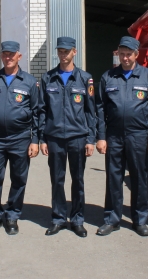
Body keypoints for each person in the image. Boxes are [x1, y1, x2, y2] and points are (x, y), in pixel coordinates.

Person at [95, 36, 148, 237]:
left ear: (136, 54)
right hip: (114, 135)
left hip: (138, 135)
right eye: (122, 54)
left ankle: (139, 219)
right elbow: (100, 109)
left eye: (129, 54)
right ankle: (112, 219)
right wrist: (101, 136)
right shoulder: (108, 77)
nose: (125, 58)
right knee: (113, 178)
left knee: (139, 178)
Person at [0, 41, 40, 235]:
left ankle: (12, 215)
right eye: (5, 54)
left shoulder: (29, 81)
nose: (8, 58)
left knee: (19, 178)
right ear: (1, 56)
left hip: (21, 138)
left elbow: (37, 112)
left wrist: (35, 140)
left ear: (19, 56)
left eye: (12, 54)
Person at [39, 37, 96, 238]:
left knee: (78, 180)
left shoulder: (85, 78)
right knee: (57, 180)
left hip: (77, 137)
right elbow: (42, 110)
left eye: (67, 51)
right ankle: (58, 218)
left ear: (74, 52)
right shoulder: (48, 78)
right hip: (54, 137)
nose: (63, 55)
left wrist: (91, 139)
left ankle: (78, 219)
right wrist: (42, 138)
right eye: (60, 51)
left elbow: (91, 111)